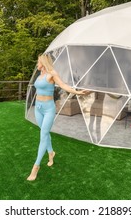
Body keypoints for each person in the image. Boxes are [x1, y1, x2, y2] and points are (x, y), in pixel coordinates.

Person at [27, 53, 88, 181]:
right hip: (38, 108)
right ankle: (51, 153)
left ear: (43, 62)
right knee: (45, 133)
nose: (37, 64)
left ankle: (35, 167)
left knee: (43, 134)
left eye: (38, 61)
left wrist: (77, 92)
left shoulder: (52, 74)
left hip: (49, 109)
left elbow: (63, 85)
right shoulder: (40, 75)